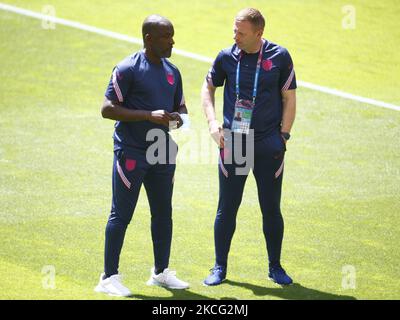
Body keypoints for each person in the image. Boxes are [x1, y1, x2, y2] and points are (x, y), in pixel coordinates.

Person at [94, 14, 189, 297]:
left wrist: (177, 119)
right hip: (132, 152)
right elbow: (107, 109)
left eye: (172, 35)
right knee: (121, 214)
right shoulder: (127, 68)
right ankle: (108, 277)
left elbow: (181, 110)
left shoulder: (173, 71)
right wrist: (149, 115)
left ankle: (160, 273)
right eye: (166, 36)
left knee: (163, 213)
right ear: (149, 38)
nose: (172, 41)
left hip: (162, 153)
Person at [201, 8, 296, 286]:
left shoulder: (280, 57)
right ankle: (219, 267)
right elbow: (207, 88)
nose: (235, 36)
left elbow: (289, 98)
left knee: (271, 208)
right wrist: (212, 122)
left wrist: (284, 135)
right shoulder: (226, 56)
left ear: (259, 33)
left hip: (268, 143)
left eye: (241, 32)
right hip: (234, 142)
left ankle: (275, 267)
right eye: (234, 30)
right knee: (227, 208)